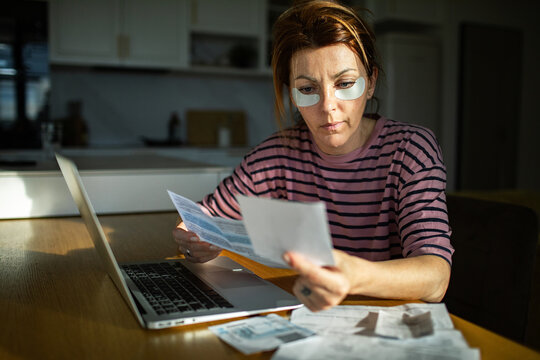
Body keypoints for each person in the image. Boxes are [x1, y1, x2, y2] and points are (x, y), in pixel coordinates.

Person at [173, 0, 453, 312]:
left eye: (345, 84)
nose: (328, 107)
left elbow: (436, 277)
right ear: (291, 92)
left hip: (386, 320)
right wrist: (194, 241)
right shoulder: (277, 155)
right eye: (308, 89)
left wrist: (353, 277)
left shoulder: (410, 150)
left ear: (371, 82)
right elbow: (199, 220)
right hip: (303, 312)